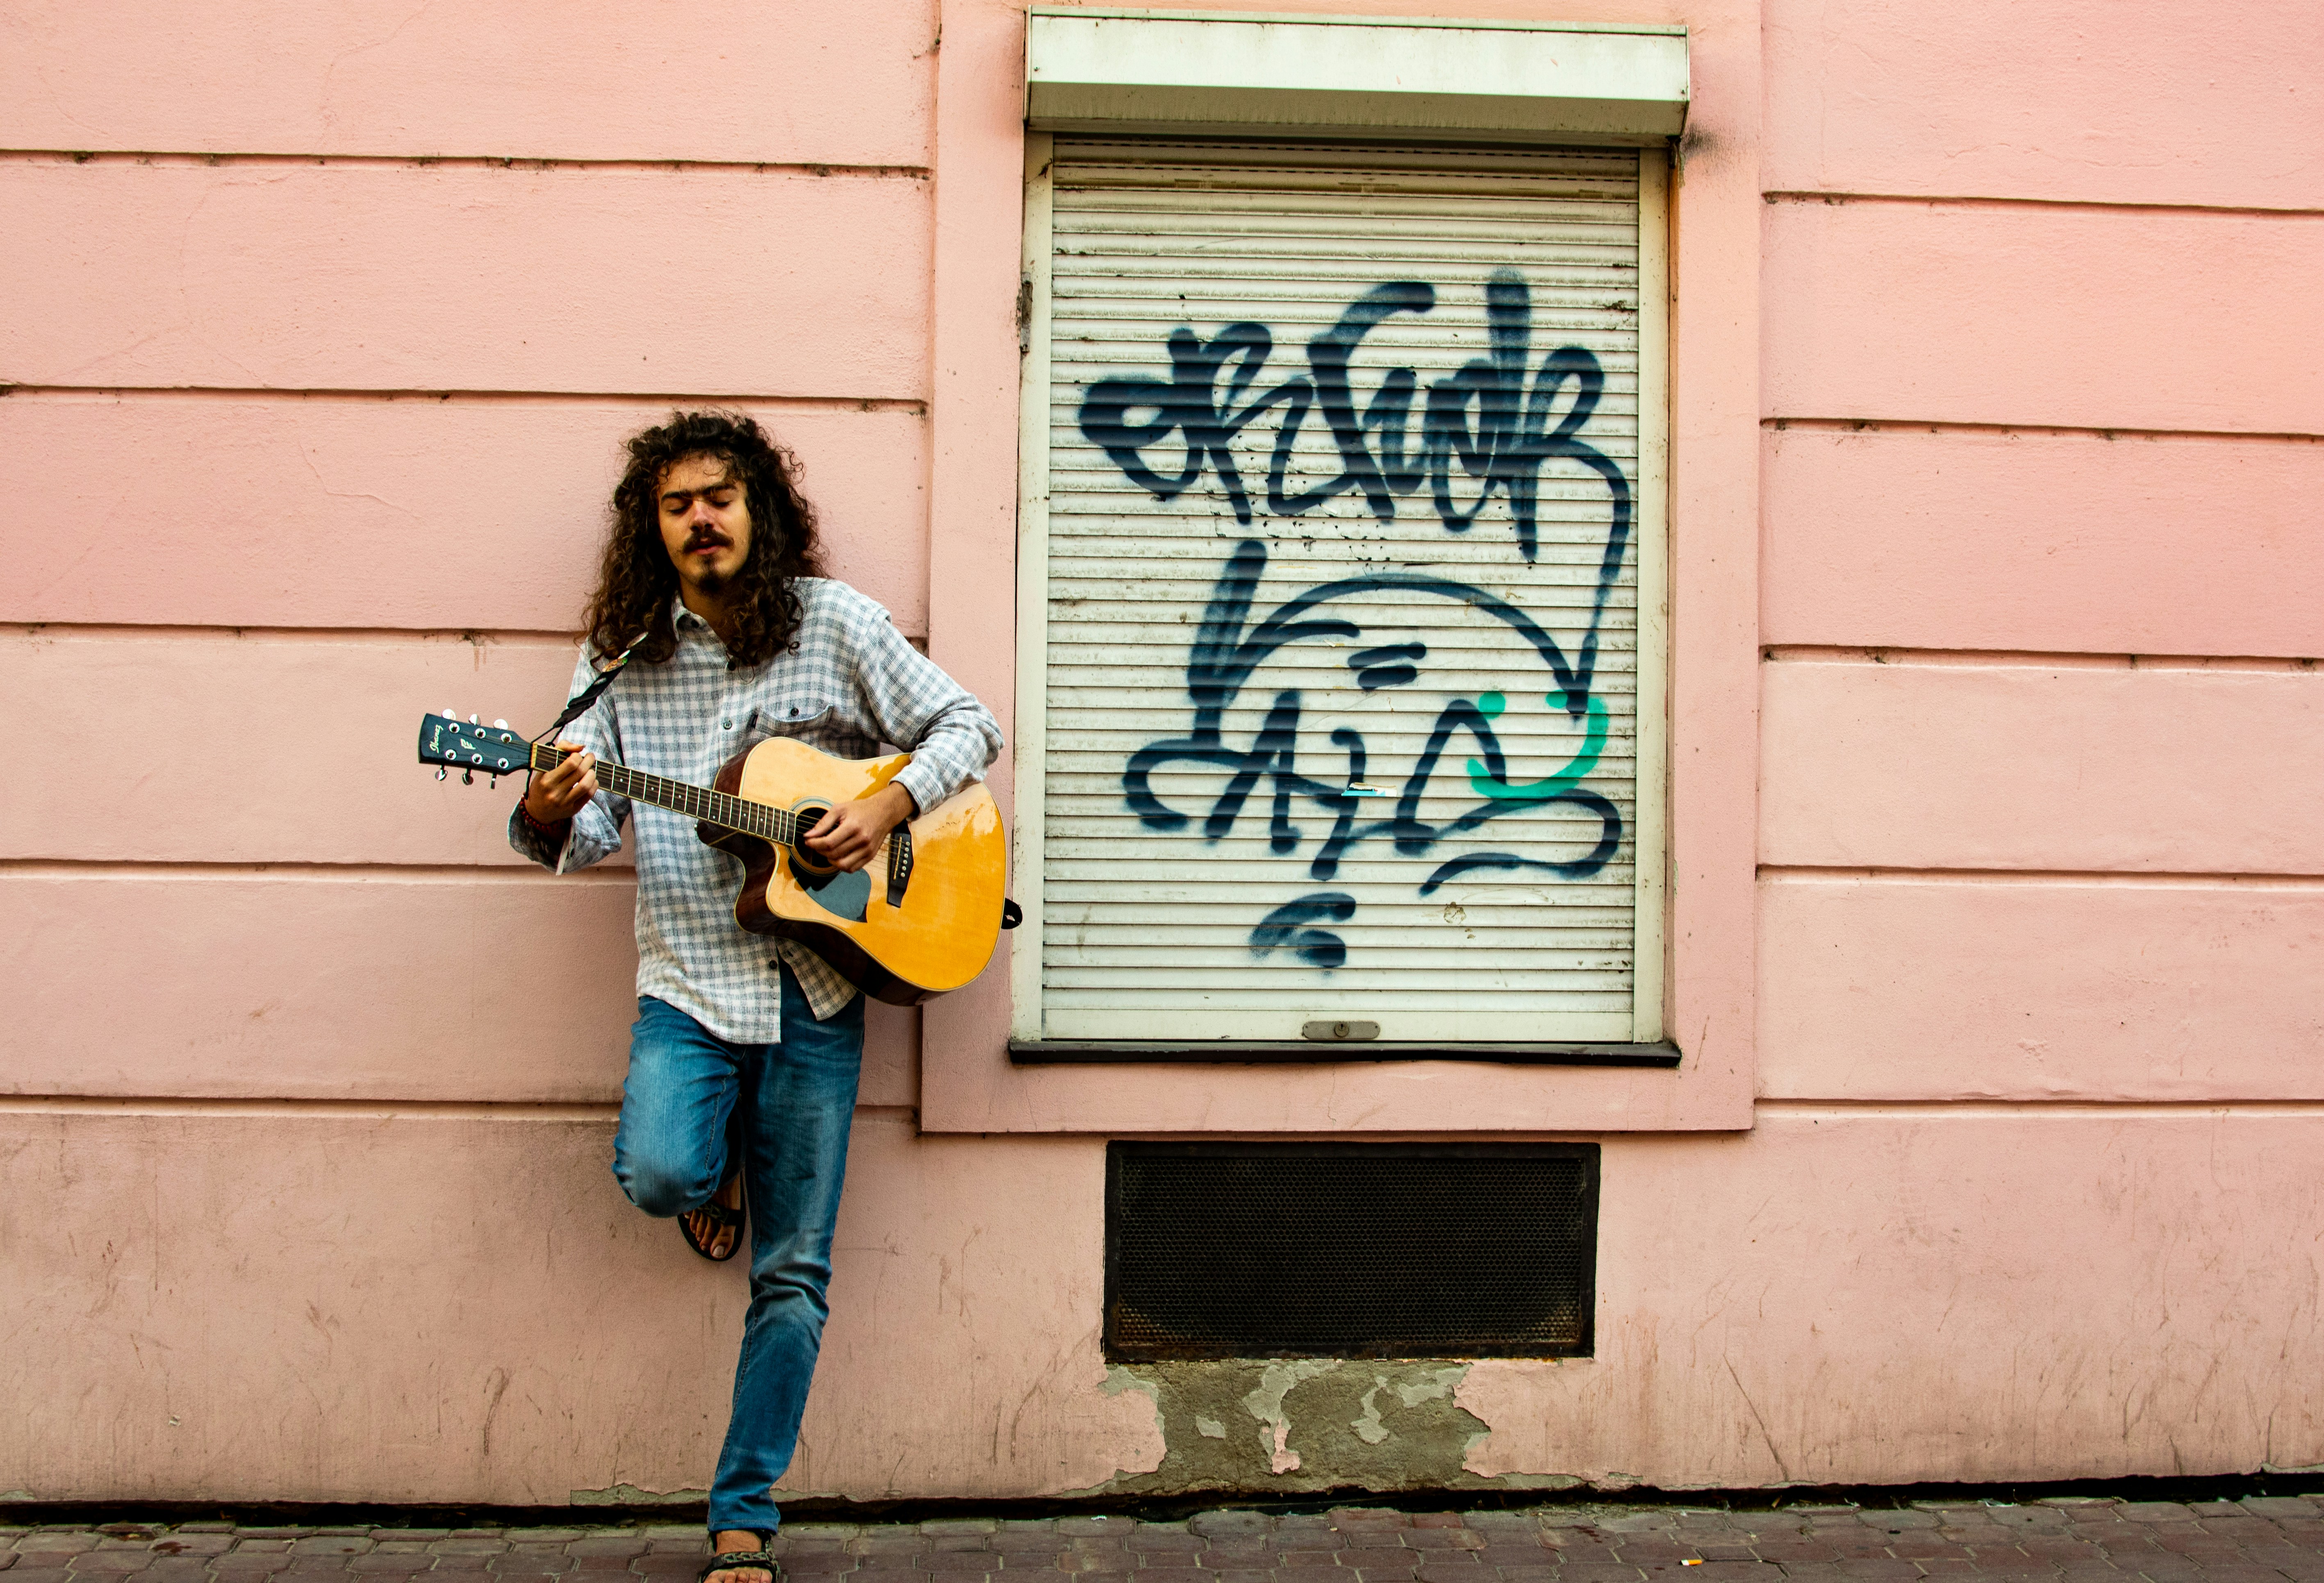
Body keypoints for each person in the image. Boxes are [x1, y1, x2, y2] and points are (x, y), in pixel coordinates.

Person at [510, 410, 1002, 1583]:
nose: (702, 520)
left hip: (817, 990)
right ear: (655, 529)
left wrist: (881, 812)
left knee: (792, 1268)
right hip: (687, 979)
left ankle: (744, 1510)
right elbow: (587, 832)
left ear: (758, 511)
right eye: (677, 505)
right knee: (662, 1172)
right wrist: (541, 810)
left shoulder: (833, 624)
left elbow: (968, 724)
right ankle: (711, 1165)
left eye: (720, 497)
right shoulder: (624, 654)